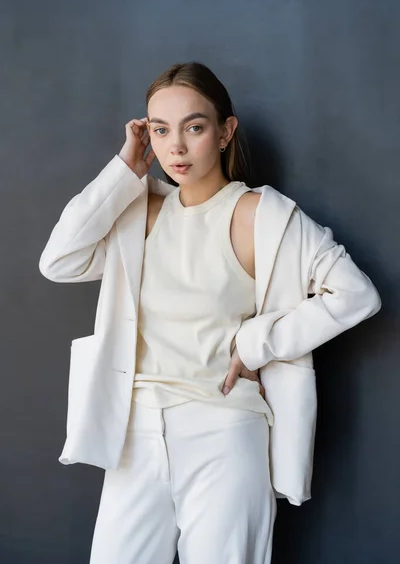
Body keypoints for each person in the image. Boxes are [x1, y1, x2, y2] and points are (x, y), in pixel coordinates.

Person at [38, 61, 381, 564]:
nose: (174, 146)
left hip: (224, 432)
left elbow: (357, 295)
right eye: (160, 130)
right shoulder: (138, 210)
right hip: (135, 436)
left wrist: (258, 341)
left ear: (225, 132)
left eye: (193, 127)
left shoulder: (261, 215)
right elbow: (59, 261)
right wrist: (124, 169)